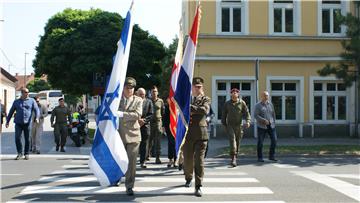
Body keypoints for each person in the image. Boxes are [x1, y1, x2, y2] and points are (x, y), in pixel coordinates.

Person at [183, 77, 211, 197]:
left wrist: (189, 108)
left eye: (200, 87)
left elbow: (204, 110)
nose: (198, 89)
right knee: (188, 160)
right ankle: (188, 177)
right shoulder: (186, 98)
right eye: (196, 86)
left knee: (199, 162)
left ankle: (198, 186)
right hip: (188, 134)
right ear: (192, 87)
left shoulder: (206, 98)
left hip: (201, 134)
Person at [117, 77, 143, 196]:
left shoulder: (138, 100)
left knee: (131, 163)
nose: (130, 90)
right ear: (123, 88)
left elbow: (138, 114)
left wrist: (122, 114)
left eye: (132, 88)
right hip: (119, 135)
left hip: (133, 135)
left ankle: (129, 185)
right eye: (128, 88)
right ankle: (116, 177)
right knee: (119, 160)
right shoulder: (116, 99)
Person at [5, 88, 40, 160]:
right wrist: (7, 121)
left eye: (28, 92)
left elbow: (36, 110)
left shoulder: (32, 101)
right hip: (18, 123)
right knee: (17, 138)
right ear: (22, 93)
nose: (27, 93)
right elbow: (11, 112)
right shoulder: (16, 102)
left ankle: (26, 153)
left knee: (27, 139)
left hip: (27, 123)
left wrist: (37, 117)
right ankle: (19, 153)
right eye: (26, 92)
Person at [221, 88, 251, 167]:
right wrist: (224, 124)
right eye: (232, 92)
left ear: (238, 94)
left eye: (236, 92)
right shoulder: (227, 104)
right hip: (230, 125)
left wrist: (248, 121)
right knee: (232, 141)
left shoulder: (242, 103)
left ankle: (235, 157)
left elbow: (247, 113)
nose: (234, 94)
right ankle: (233, 158)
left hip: (239, 126)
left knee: (237, 142)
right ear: (231, 94)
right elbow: (224, 114)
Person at [254, 91, 278, 162]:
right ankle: (260, 157)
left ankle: (271, 156)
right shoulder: (258, 105)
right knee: (260, 142)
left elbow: (273, 114)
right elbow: (255, 115)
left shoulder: (270, 104)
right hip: (262, 126)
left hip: (271, 125)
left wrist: (274, 122)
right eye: (265, 96)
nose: (266, 97)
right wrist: (263, 120)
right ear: (262, 96)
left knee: (274, 140)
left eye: (267, 96)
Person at [137, 87, 153, 168]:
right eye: (140, 94)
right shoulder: (133, 101)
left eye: (143, 94)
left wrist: (144, 120)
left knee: (144, 144)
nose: (141, 96)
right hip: (135, 125)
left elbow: (151, 114)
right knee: (134, 144)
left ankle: (143, 161)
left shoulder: (148, 102)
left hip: (145, 126)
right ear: (137, 94)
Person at [148, 86, 165, 164]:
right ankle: (147, 155)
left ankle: (158, 157)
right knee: (149, 139)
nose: (154, 93)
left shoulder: (160, 101)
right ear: (150, 93)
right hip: (150, 122)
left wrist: (163, 124)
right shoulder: (148, 101)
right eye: (152, 91)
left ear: (157, 92)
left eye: (155, 91)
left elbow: (163, 112)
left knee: (158, 140)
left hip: (158, 121)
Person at [163, 101, 176, 168]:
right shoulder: (168, 105)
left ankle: (176, 160)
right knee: (171, 143)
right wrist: (164, 126)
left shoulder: (180, 104)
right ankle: (171, 159)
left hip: (178, 127)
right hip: (169, 127)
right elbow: (165, 116)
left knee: (176, 143)